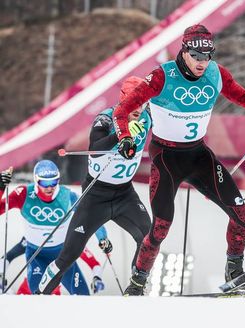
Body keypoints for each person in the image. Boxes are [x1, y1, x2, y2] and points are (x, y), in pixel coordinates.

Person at [111, 24, 245, 295]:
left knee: (240, 213)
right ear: (184, 51)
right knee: (160, 226)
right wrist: (124, 136)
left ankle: (235, 272)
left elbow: (244, 97)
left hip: (198, 155)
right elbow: (122, 110)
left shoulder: (216, 74)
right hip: (166, 158)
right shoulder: (161, 76)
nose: (202, 62)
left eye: (208, 56)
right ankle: (137, 280)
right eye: (196, 56)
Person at [37, 76, 153, 295]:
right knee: (69, 255)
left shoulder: (146, 117)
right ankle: (41, 293)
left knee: (148, 238)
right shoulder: (106, 119)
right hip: (95, 195)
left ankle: (136, 289)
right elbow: (96, 148)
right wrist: (122, 135)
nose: (139, 108)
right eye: (135, 102)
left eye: (143, 102)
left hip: (124, 194)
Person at [0, 160, 110, 294]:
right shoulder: (23, 194)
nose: (50, 187)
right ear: (36, 180)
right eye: (44, 183)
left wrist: (103, 238)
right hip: (37, 257)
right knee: (38, 298)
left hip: (63, 257)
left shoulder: (67, 196)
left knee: (83, 297)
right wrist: (1, 188)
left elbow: (91, 217)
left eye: (54, 182)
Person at [0, 237, 105, 294]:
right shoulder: (33, 236)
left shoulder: (67, 240)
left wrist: (97, 278)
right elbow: (9, 256)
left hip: (53, 289)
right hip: (27, 288)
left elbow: (93, 263)